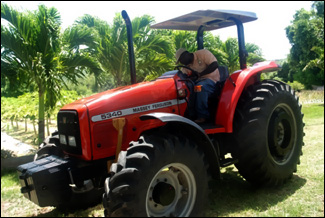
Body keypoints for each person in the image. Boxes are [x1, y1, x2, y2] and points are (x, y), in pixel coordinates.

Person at [175, 48, 220, 124]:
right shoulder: (186, 67)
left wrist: (200, 74)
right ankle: (190, 114)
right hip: (197, 82)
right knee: (187, 88)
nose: (182, 63)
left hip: (211, 80)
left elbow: (214, 64)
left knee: (199, 87)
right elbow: (184, 76)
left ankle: (203, 116)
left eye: (181, 60)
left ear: (185, 55)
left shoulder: (203, 54)